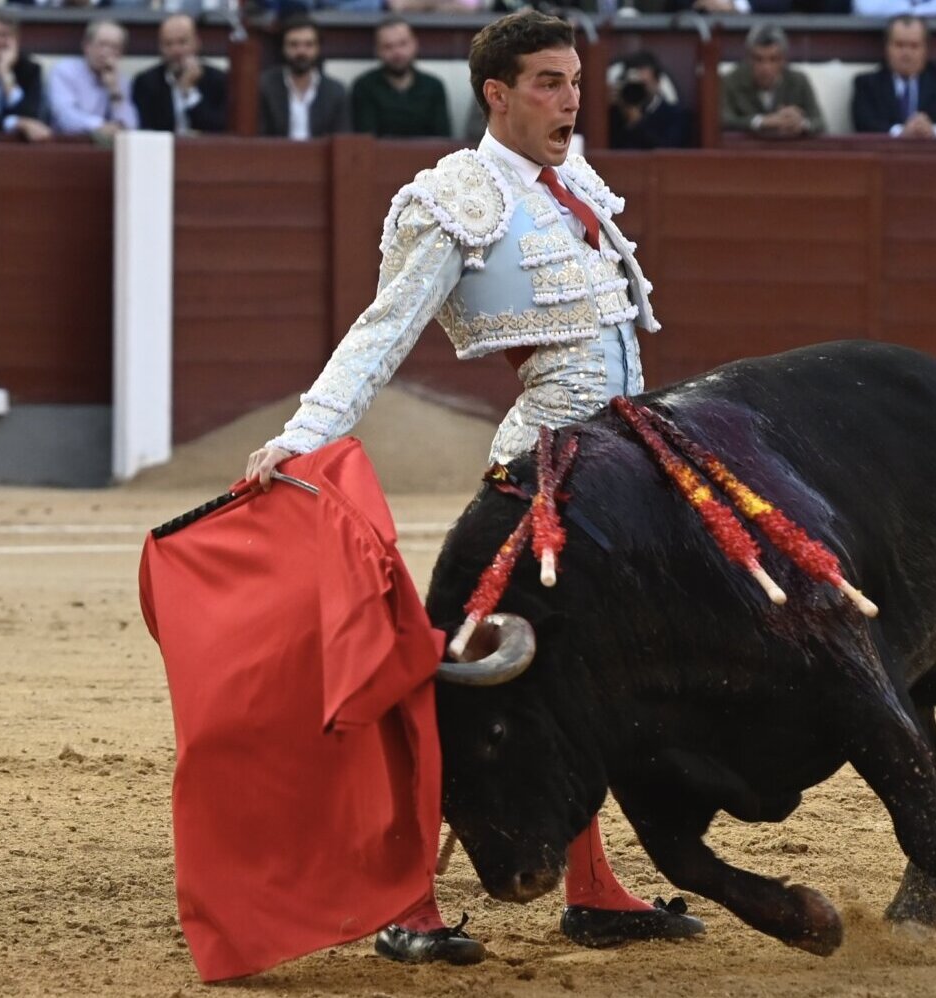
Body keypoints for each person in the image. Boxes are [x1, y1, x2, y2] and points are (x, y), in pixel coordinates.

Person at [245, 9, 705, 965]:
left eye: (575, 79)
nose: (571, 98)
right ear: (495, 94)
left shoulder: (569, 177)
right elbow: (383, 330)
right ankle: (405, 903)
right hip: (544, 469)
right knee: (463, 688)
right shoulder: (456, 197)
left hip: (621, 462)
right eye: (546, 81)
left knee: (585, 682)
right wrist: (301, 437)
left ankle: (592, 887)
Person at [851, 15, 936, 139]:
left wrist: (934, 130)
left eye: (914, 46)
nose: (906, 53)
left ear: (926, 49)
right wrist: (900, 132)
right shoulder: (867, 84)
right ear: (887, 47)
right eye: (899, 45)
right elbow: (863, 124)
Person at [351, 18, 452, 139]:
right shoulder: (364, 87)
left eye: (402, 44)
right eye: (388, 46)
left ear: (415, 44)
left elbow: (443, 141)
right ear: (377, 50)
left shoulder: (434, 87)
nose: (397, 52)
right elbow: (365, 141)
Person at [721, 23, 824, 139]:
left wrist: (801, 123)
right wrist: (762, 122)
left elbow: (820, 123)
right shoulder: (730, 81)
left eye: (773, 59)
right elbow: (722, 120)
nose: (766, 67)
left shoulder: (799, 81)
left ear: (783, 60)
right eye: (759, 59)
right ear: (748, 59)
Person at [132, 14, 228, 136]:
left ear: (197, 43)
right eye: (168, 44)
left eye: (182, 42)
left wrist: (189, 92)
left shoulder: (218, 80)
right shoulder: (145, 82)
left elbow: (218, 129)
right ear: (160, 48)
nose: (176, 50)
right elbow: (148, 130)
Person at [259, 16, 350, 140]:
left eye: (309, 45)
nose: (301, 51)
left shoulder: (335, 91)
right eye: (293, 44)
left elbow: (342, 140)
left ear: (318, 48)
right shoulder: (264, 86)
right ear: (283, 48)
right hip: (275, 158)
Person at [46, 19, 139, 139]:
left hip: (108, 148)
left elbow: (131, 126)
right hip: (67, 144)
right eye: (102, 45)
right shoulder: (64, 71)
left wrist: (115, 91)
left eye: (115, 47)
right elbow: (65, 118)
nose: (106, 52)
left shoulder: (121, 80)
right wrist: (100, 126)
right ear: (86, 46)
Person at [608, 50, 691, 149]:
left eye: (644, 84)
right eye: (634, 84)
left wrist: (637, 122)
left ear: (657, 83)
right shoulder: (616, 114)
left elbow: (667, 150)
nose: (638, 90)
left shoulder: (676, 116)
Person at [0, 11, 51, 142]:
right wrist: (15, 123)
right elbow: (24, 122)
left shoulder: (30, 69)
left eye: (4, 35)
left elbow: (30, 117)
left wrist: (5, 73)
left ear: (16, 39)